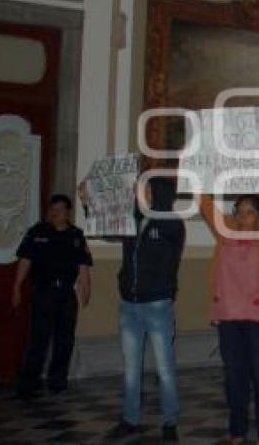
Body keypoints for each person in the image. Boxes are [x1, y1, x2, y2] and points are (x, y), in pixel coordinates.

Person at [81, 177, 185, 442]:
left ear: (158, 193)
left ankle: (170, 422)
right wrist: (87, 202)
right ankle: (130, 419)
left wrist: (146, 206)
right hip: (129, 304)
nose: (140, 192)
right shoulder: (131, 220)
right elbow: (104, 229)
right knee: (130, 368)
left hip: (157, 304)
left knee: (164, 368)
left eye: (146, 188)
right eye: (140, 188)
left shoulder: (171, 223)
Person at [198, 187, 259, 445]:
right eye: (238, 212)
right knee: (234, 378)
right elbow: (204, 204)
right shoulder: (225, 231)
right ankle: (237, 433)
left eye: (249, 213)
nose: (242, 217)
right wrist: (196, 172)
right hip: (229, 318)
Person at [12, 194, 92, 399]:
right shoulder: (37, 232)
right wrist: (17, 287)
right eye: (52, 208)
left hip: (66, 294)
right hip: (43, 293)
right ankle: (28, 384)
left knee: (64, 340)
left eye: (59, 209)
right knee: (38, 339)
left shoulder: (76, 235)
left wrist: (85, 291)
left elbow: (83, 267)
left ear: (67, 212)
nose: (54, 212)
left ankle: (57, 382)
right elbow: (25, 261)